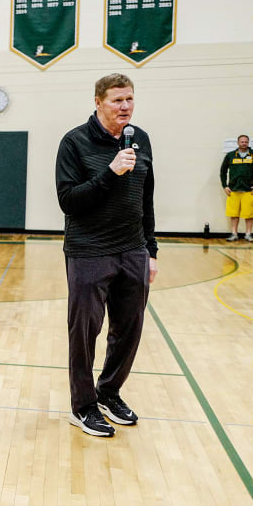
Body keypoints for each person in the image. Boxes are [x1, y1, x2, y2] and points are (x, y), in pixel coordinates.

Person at [54, 74, 157, 437]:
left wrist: (151, 250)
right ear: (98, 102)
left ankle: (108, 393)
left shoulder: (139, 139)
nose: (125, 106)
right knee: (85, 332)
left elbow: (146, 197)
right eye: (117, 100)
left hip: (133, 251)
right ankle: (82, 407)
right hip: (88, 252)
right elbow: (68, 200)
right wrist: (110, 173)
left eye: (129, 99)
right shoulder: (74, 142)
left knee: (129, 330)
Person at [220, 134, 253, 242]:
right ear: (238, 143)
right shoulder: (230, 155)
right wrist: (225, 186)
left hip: (249, 190)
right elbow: (223, 171)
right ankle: (234, 233)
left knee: (249, 214)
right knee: (234, 214)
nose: (244, 143)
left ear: (248, 143)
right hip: (234, 189)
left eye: (246, 141)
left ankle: (248, 234)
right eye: (242, 141)